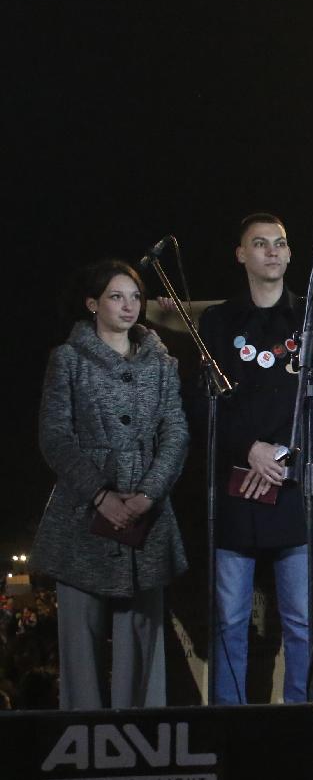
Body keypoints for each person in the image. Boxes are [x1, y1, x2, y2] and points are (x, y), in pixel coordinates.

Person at [198, 213, 313, 705]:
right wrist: (250, 450)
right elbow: (206, 403)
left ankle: (299, 728)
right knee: (230, 621)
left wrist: (281, 453)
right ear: (241, 254)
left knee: (302, 621)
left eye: (280, 242)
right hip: (237, 489)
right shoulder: (217, 322)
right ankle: (230, 730)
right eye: (259, 244)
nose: (272, 251)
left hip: (291, 485)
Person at [34, 260, 190, 709]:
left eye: (135, 297)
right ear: (92, 304)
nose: (129, 306)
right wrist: (101, 495)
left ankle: (142, 736)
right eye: (116, 296)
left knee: (142, 631)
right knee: (79, 638)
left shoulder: (161, 362)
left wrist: (148, 493)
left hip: (146, 506)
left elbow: (176, 432)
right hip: (82, 512)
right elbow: (55, 435)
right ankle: (83, 741)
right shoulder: (67, 359)